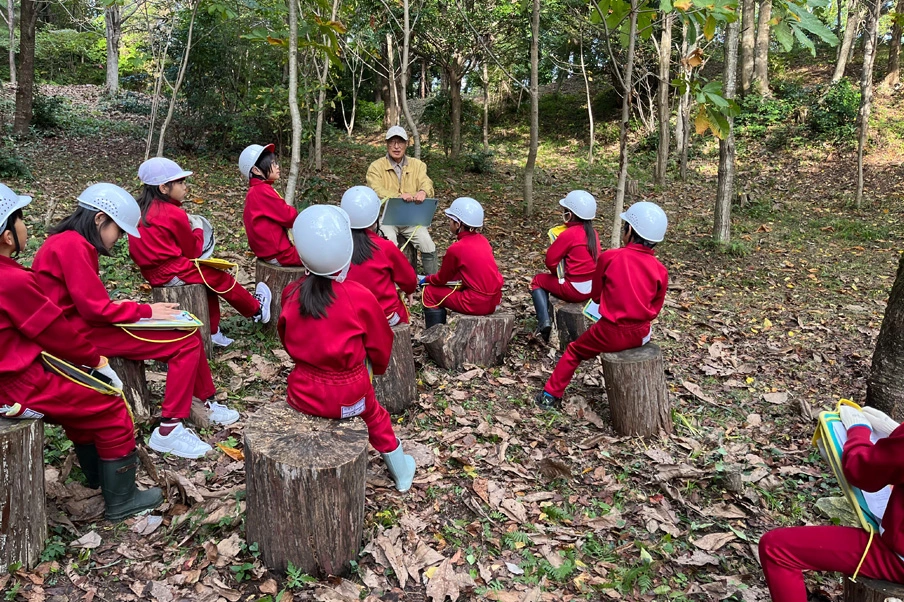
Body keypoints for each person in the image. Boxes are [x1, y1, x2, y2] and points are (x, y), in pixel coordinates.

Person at [33, 183, 238, 460]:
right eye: (117, 231)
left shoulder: (69, 242)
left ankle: (206, 400)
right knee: (185, 343)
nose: (117, 239)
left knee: (186, 332)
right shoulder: (73, 245)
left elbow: (86, 301)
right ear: (99, 219)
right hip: (76, 333)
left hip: (77, 325)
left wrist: (137, 310)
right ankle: (169, 429)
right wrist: (145, 312)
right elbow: (95, 310)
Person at [0, 185, 162, 520]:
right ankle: (123, 500)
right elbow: (53, 330)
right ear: (5, 234)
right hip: (20, 379)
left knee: (83, 407)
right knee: (111, 407)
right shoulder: (10, 280)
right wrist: (95, 360)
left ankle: (96, 476)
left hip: (16, 372)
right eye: (19, 218)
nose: (25, 226)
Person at [277, 204, 416, 492]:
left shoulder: (291, 293)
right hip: (350, 390)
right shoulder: (358, 296)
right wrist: (374, 370)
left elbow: (285, 335)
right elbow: (381, 341)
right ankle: (401, 472)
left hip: (301, 390)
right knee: (376, 416)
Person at [759, 405, 904, 601]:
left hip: (897, 557)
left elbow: (862, 470)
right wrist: (894, 433)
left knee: (776, 548)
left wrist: (858, 430)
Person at [535, 201, 668, 409]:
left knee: (574, 352)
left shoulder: (610, 257)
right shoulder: (661, 270)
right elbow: (656, 308)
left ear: (630, 230)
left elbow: (596, 297)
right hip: (642, 333)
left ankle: (549, 395)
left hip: (610, 331)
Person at [128, 157, 272, 347]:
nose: (185, 186)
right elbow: (193, 251)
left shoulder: (138, 210)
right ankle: (256, 310)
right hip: (174, 269)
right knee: (221, 278)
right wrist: (197, 228)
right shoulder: (173, 213)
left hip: (151, 273)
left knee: (208, 283)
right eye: (180, 182)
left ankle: (212, 331)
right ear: (163, 188)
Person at [420, 197, 504, 328]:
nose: (449, 223)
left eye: (451, 220)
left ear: (458, 224)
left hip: (475, 303)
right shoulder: (483, 241)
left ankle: (434, 337)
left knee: (429, 292)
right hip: (494, 300)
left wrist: (427, 279)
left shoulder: (456, 248)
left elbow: (442, 279)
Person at [365, 126, 438, 275]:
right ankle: (391, 281)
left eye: (400, 142)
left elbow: (427, 182)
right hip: (386, 218)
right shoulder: (376, 167)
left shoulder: (417, 165)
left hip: (411, 218)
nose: (396, 146)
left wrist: (424, 191)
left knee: (427, 244)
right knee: (390, 243)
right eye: (393, 142)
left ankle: (432, 283)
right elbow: (375, 190)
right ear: (387, 144)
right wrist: (397, 196)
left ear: (407, 144)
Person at [531, 190, 602, 342]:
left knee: (537, 280)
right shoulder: (593, 233)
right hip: (592, 288)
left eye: (565, 211)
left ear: (570, 214)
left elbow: (550, 261)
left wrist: (557, 275)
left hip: (573, 290)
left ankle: (544, 322)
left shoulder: (568, 234)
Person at [341, 185, 417, 325]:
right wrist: (409, 289)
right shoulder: (385, 247)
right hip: (384, 317)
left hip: (348, 317)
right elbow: (409, 279)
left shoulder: (336, 246)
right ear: (375, 217)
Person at [240, 143, 301, 267]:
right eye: (272, 164)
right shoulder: (261, 191)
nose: (277, 167)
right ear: (256, 170)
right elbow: (289, 217)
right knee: (323, 257)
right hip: (281, 254)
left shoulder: (255, 191)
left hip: (272, 253)